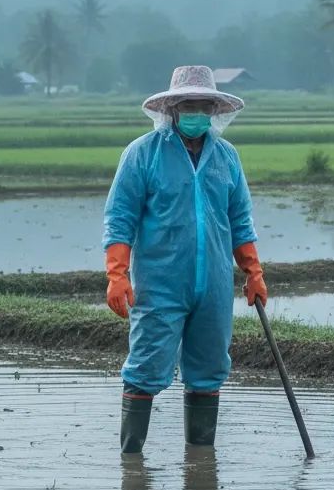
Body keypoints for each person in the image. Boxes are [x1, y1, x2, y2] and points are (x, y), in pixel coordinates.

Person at [103, 65, 268, 452]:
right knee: (145, 366)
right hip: (161, 284)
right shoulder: (143, 154)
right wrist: (117, 274)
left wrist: (253, 270)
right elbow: (120, 217)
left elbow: (240, 219)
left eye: (203, 106)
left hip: (212, 284)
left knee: (209, 369)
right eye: (188, 105)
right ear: (173, 108)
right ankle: (131, 461)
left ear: (213, 110)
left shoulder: (227, 157)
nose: (196, 113)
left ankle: (200, 468)